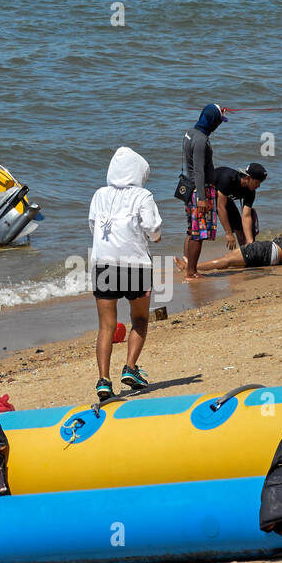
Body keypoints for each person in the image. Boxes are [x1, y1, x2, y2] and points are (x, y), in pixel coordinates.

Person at [88, 146, 162, 400]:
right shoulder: (143, 196)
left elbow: (92, 226)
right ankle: (130, 367)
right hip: (135, 265)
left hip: (103, 264)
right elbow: (153, 229)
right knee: (139, 320)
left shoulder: (99, 194)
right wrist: (155, 236)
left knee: (106, 326)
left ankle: (103, 381)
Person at [177, 222, 282, 274]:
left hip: (272, 248)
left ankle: (192, 267)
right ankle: (194, 267)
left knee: (227, 260)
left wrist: (279, 237)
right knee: (232, 264)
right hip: (275, 261)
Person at [181, 103, 226, 279]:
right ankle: (191, 272)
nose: (217, 125)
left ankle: (186, 265)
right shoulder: (200, 140)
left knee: (191, 231)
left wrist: (219, 115)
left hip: (191, 188)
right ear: (212, 121)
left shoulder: (191, 133)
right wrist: (202, 197)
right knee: (198, 233)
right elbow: (199, 170)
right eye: (218, 121)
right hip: (200, 190)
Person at [213, 162, 267, 250]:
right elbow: (220, 207)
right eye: (257, 182)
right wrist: (229, 234)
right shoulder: (228, 178)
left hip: (224, 198)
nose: (259, 186)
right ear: (248, 178)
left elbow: (246, 215)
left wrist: (250, 242)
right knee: (197, 233)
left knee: (240, 228)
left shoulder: (251, 191)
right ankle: (186, 260)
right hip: (206, 196)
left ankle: (246, 253)